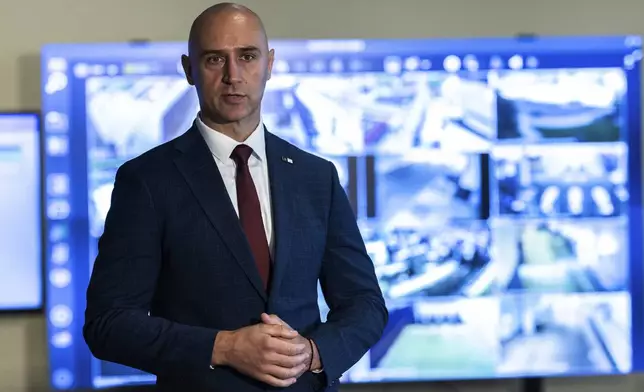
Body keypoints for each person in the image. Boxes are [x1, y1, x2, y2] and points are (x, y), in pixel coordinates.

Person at [83, 3, 388, 391]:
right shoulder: (145, 180)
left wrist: (312, 353)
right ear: (189, 69)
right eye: (214, 59)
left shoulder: (316, 177)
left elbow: (365, 305)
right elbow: (108, 324)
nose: (233, 76)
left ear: (270, 63)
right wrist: (223, 347)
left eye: (247, 56)